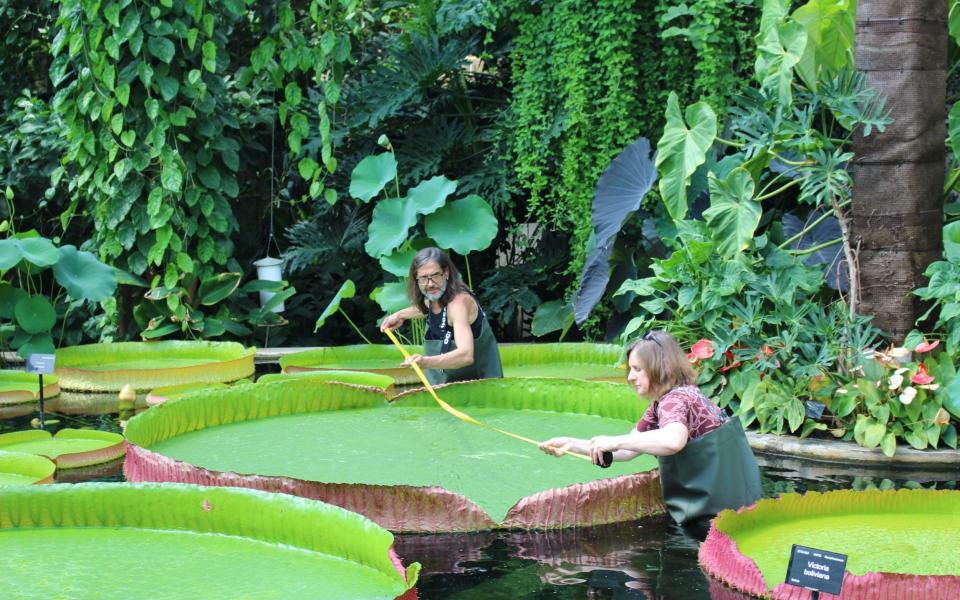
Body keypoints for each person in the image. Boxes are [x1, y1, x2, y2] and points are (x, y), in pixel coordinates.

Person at [539, 330, 762, 531]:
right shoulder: (675, 397)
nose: (630, 377)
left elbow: (673, 441)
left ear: (659, 368)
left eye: (637, 369)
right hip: (742, 507)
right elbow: (626, 451)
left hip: (717, 519)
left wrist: (615, 441)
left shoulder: (673, 400)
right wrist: (571, 443)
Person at [380, 247, 503, 386]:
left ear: (446, 273)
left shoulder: (458, 304)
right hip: (443, 388)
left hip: (481, 390)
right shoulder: (434, 298)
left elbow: (466, 355)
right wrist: (400, 315)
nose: (430, 283)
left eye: (435, 275)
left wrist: (426, 361)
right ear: (416, 279)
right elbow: (428, 307)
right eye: (424, 278)